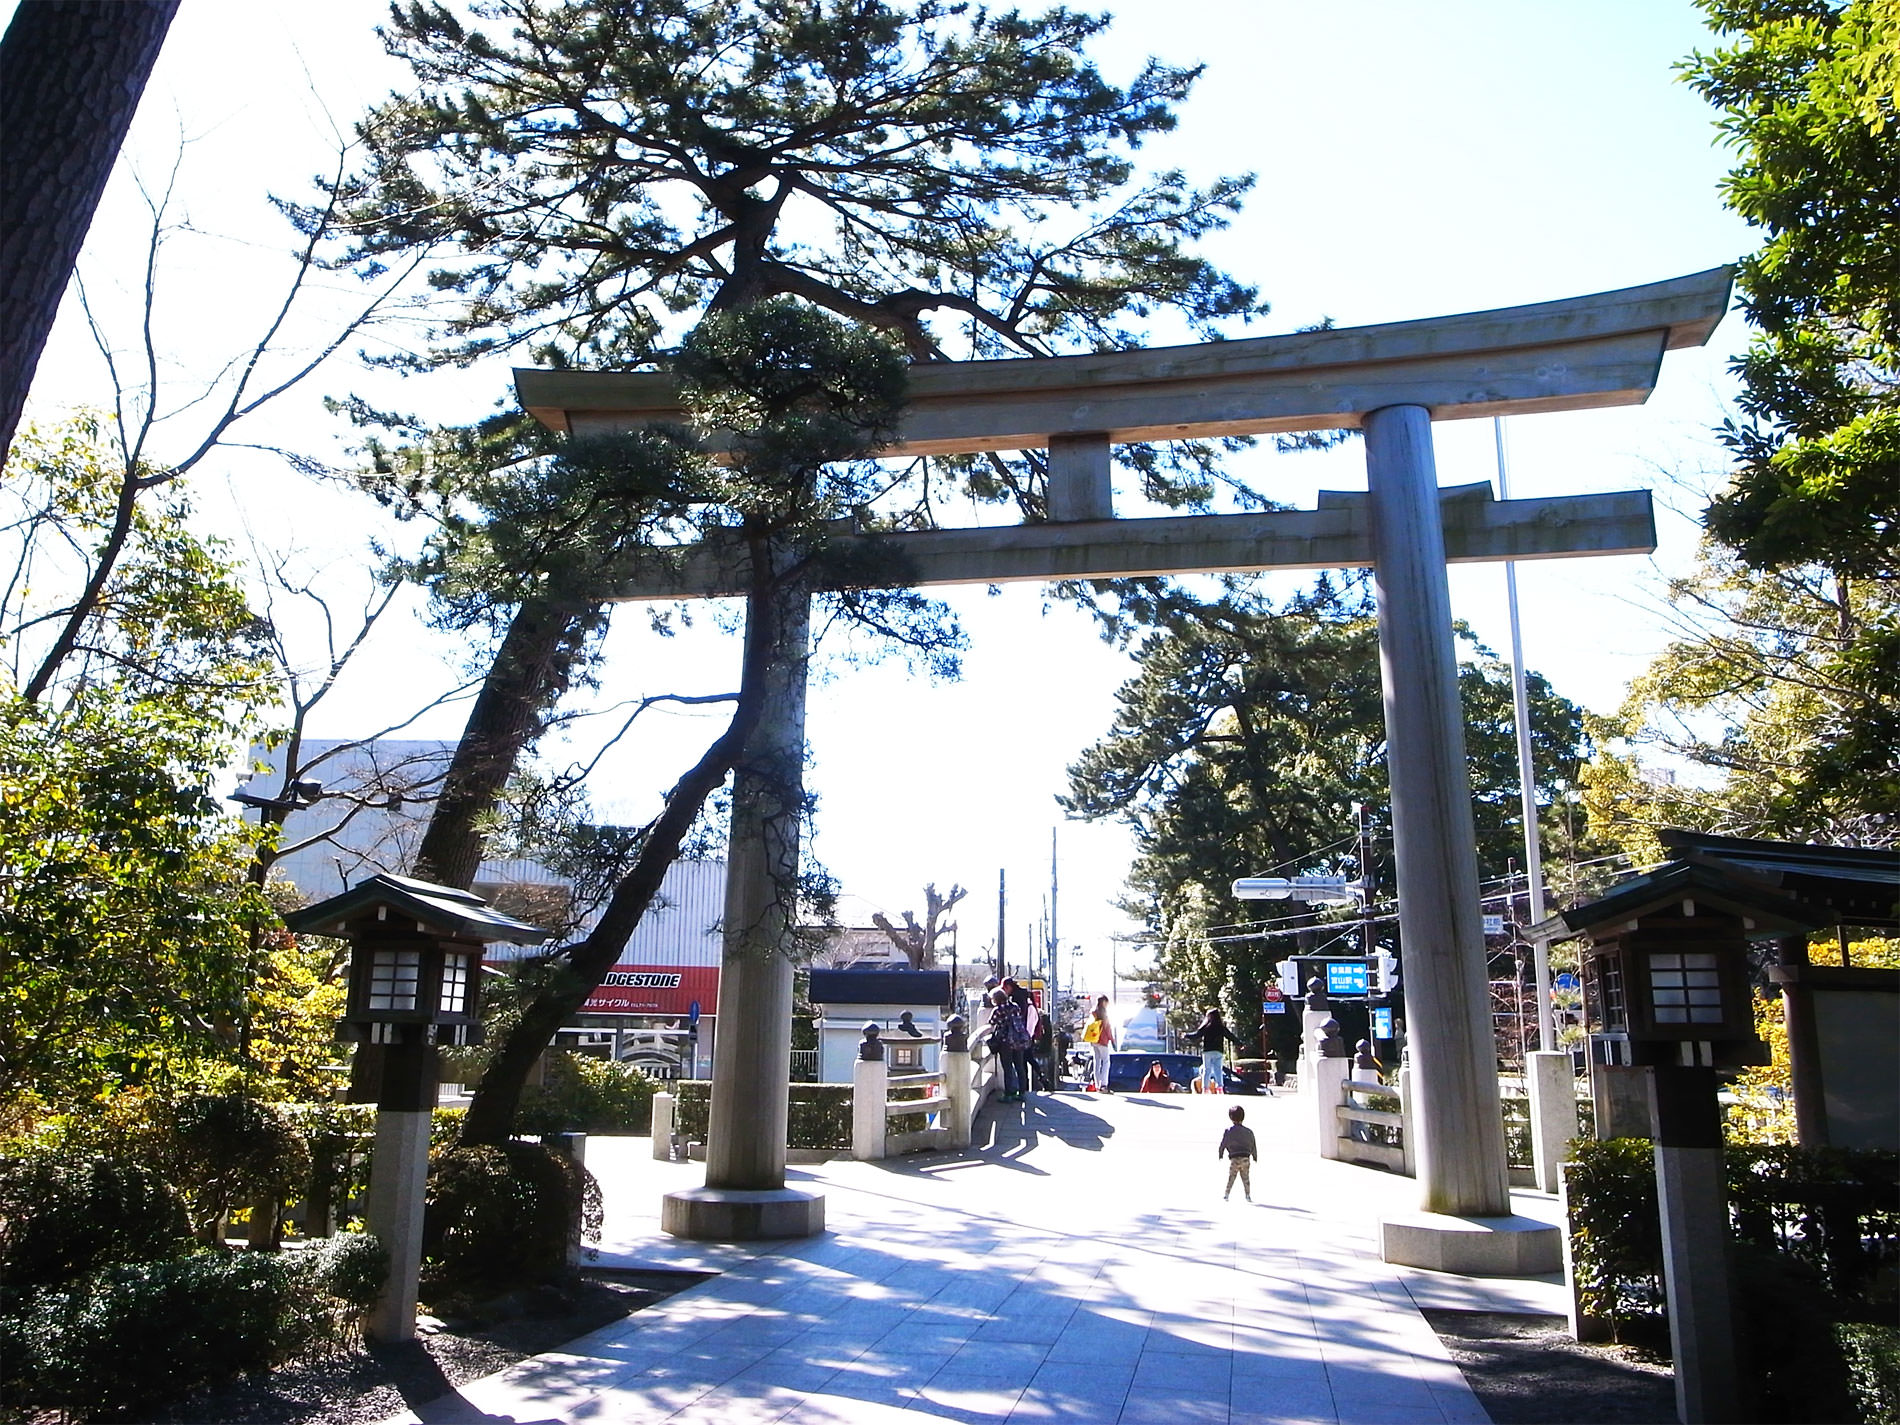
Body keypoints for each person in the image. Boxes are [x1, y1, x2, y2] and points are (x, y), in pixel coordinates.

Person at [989, 988, 1031, 1102]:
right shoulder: (1015, 1006)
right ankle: (1022, 1092)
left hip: (1006, 1042)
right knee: (1020, 1066)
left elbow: (992, 1022)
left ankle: (1009, 1094)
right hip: (1018, 1040)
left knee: (1007, 1068)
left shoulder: (998, 1010)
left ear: (995, 1000)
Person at [1189, 1006, 1240, 1093]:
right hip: (1218, 1051)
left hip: (1207, 1051)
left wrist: (1186, 1035)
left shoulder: (1206, 1027)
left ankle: (1205, 1089)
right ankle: (1220, 1088)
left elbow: (1196, 1035)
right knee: (1218, 1070)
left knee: (1206, 1070)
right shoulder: (1221, 1027)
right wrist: (1239, 1043)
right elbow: (1230, 1036)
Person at [1218, 1104, 1257, 1202]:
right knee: (1246, 1178)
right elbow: (1253, 1144)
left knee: (1231, 1177)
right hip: (1246, 1158)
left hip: (1234, 1158)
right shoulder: (1249, 1132)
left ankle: (1227, 1194)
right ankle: (1248, 1195)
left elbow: (1223, 1143)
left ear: (1231, 1117)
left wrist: (1221, 1153)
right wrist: (1254, 1155)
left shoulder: (1228, 1131)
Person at [1082, 995, 1115, 1091]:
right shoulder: (1103, 1013)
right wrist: (1112, 1039)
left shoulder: (1093, 1013)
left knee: (1097, 1062)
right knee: (1106, 1062)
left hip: (1093, 1040)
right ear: (1104, 1002)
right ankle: (1104, 1085)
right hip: (1102, 1040)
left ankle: (1097, 1085)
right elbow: (1107, 1028)